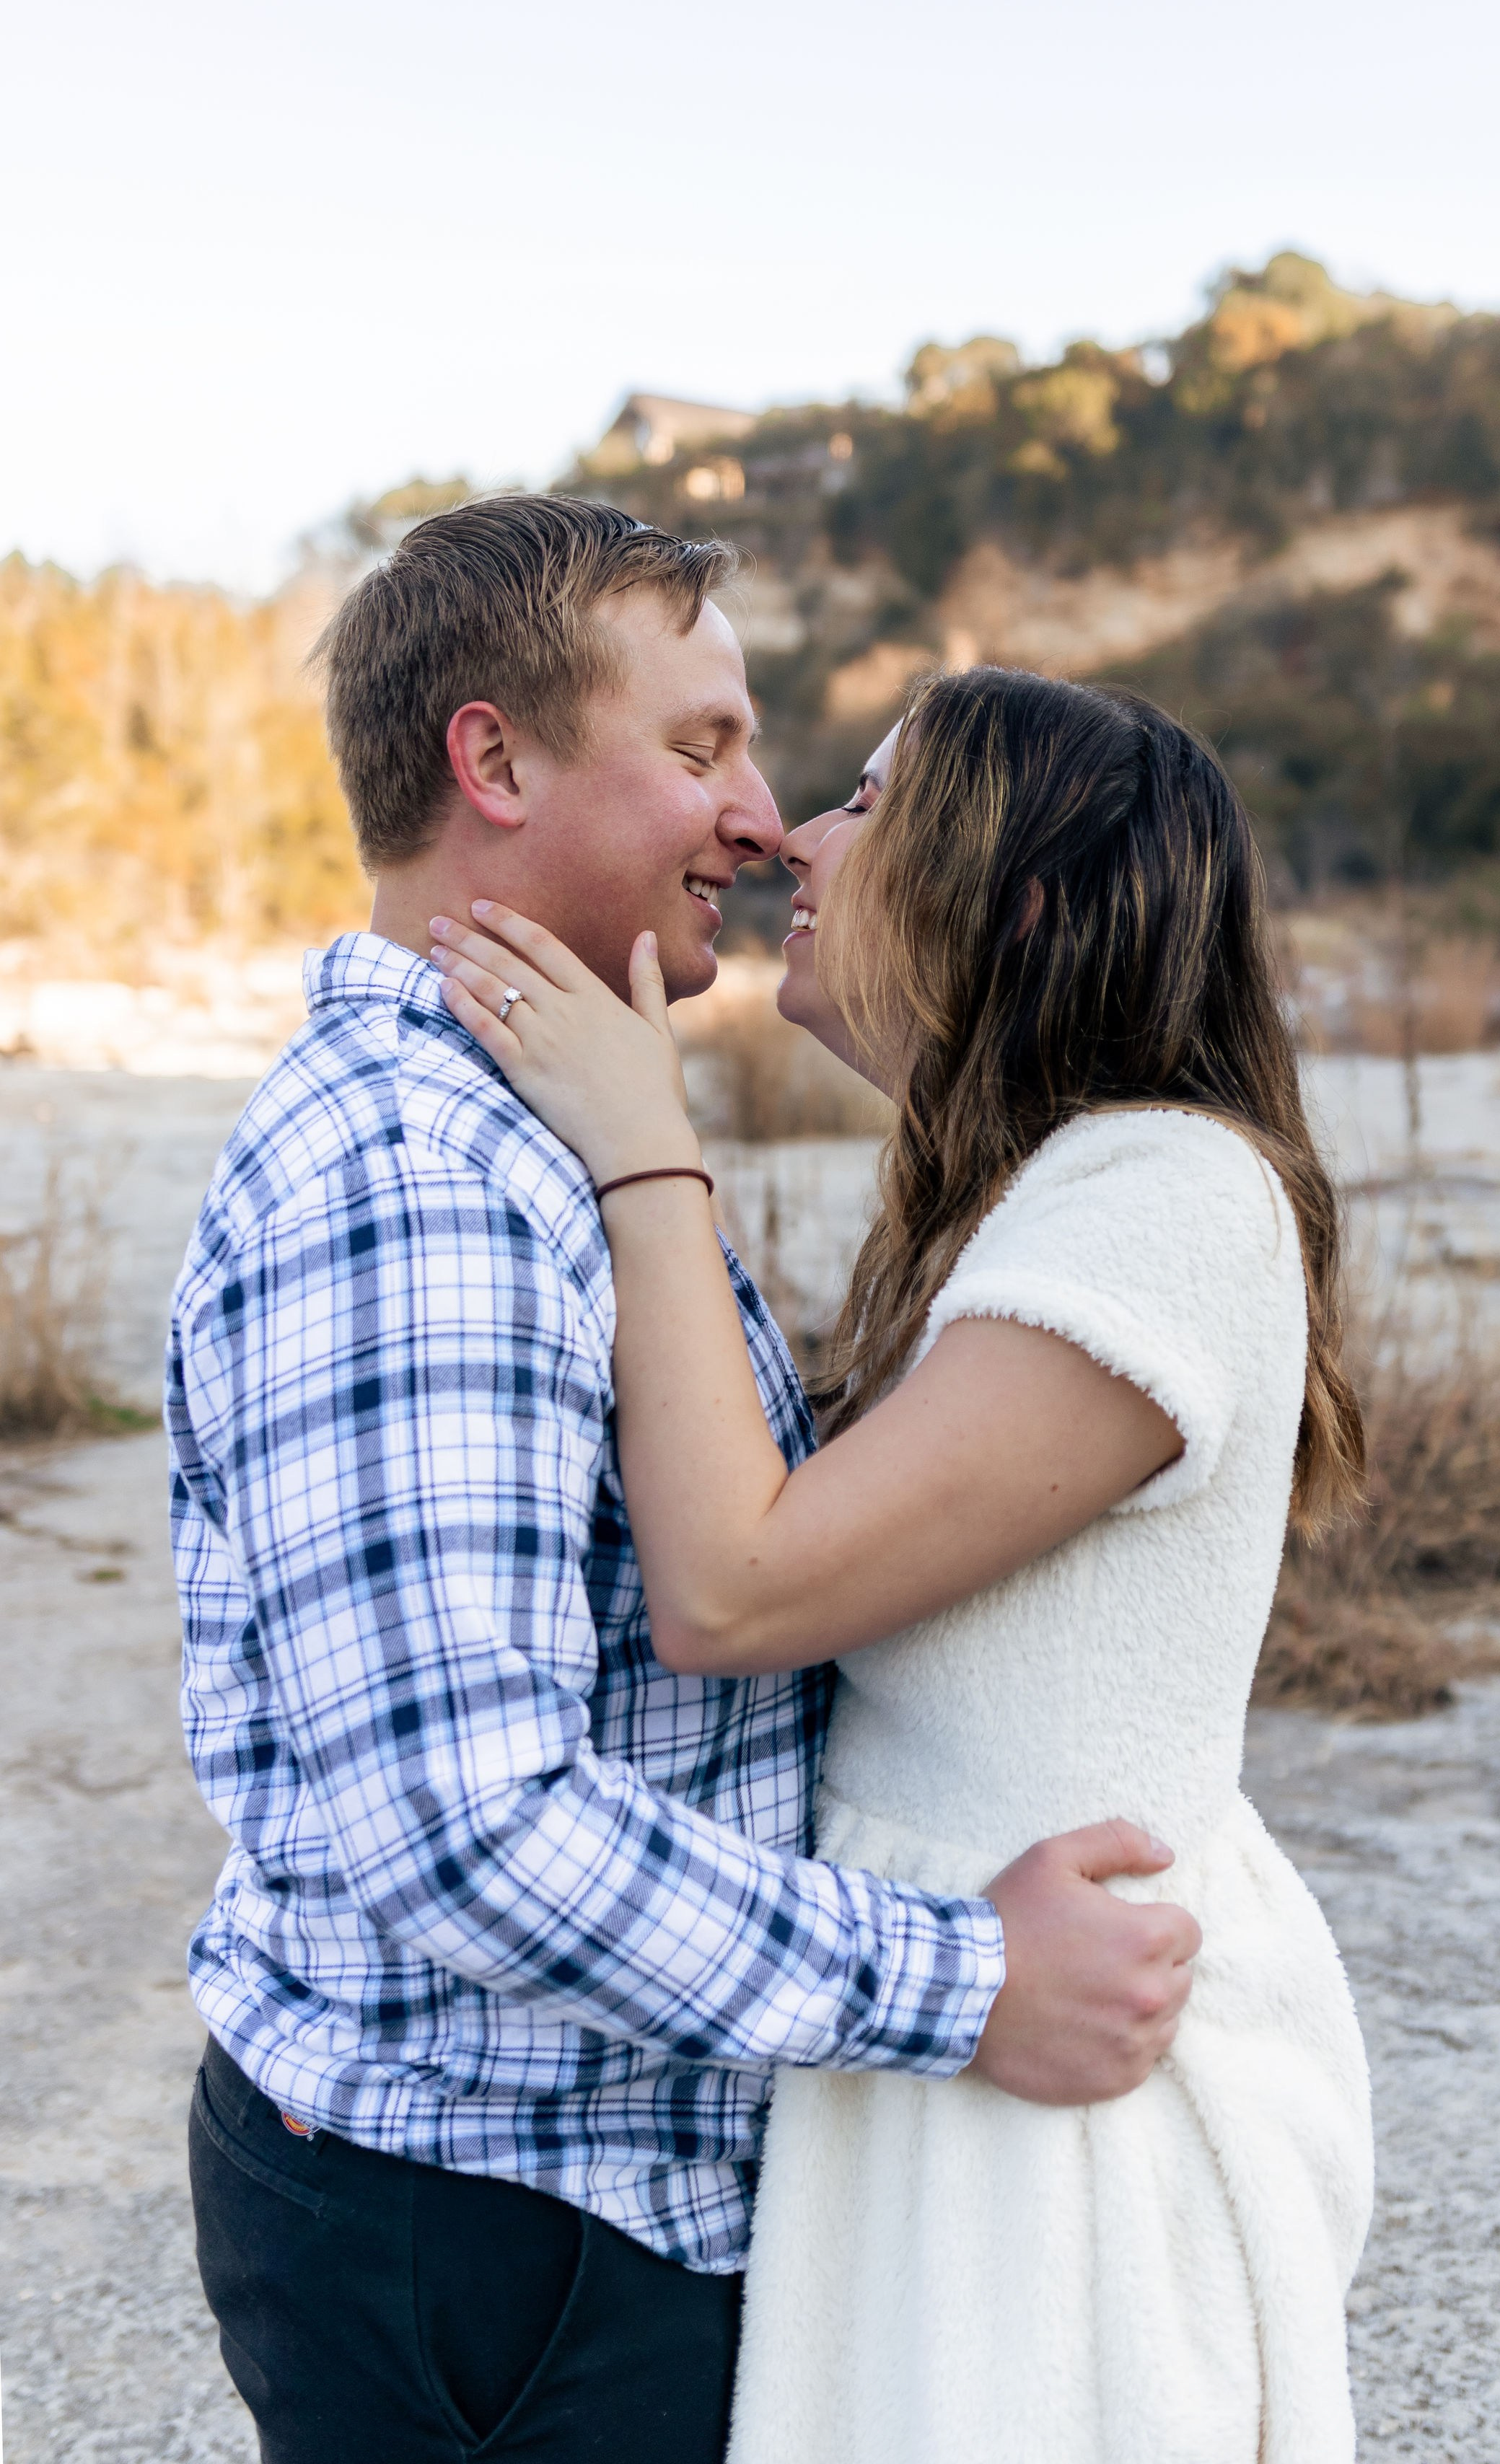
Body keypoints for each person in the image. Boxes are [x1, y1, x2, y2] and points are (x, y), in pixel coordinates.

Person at [166, 498, 1201, 2464]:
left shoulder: (539, 1123)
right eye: (703, 748)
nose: (764, 818)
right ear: (494, 762)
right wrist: (970, 1982)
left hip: (569, 2194)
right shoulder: (417, 1187)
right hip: (495, 2225)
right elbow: (467, 1829)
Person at [431, 664, 1378, 2464]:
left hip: (1065, 2112)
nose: (798, 832)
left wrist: (646, 1151)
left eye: (869, 802)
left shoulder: (1168, 1194)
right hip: (962, 2029)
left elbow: (737, 1589)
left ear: (1014, 900)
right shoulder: (1039, 1192)